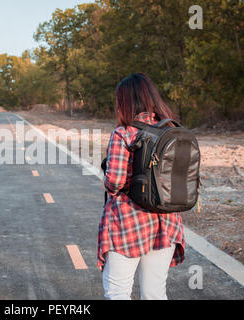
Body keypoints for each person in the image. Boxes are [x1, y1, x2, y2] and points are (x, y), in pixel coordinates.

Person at [98, 73, 185, 300]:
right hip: (166, 221)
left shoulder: (124, 133)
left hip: (129, 223)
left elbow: (114, 182)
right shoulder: (171, 130)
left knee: (118, 292)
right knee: (154, 293)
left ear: (125, 102)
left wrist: (107, 178)